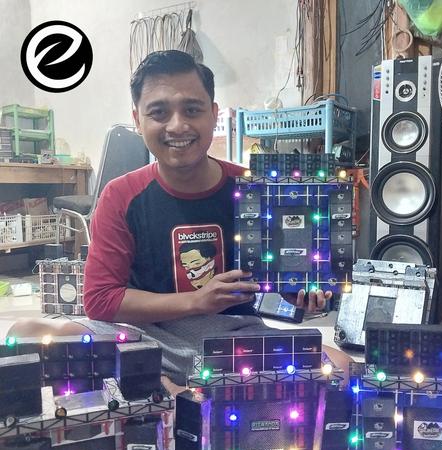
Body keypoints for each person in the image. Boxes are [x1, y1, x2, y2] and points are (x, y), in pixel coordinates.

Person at [9, 50, 349, 391]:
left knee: (342, 368)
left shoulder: (255, 190)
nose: (177, 126)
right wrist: (196, 300)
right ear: (137, 119)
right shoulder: (121, 195)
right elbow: (100, 301)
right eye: (159, 112)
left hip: (233, 338)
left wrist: (297, 291)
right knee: (23, 335)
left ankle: (158, 388)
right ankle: (173, 387)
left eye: (192, 110)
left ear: (213, 114)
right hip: (139, 334)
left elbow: (278, 278)